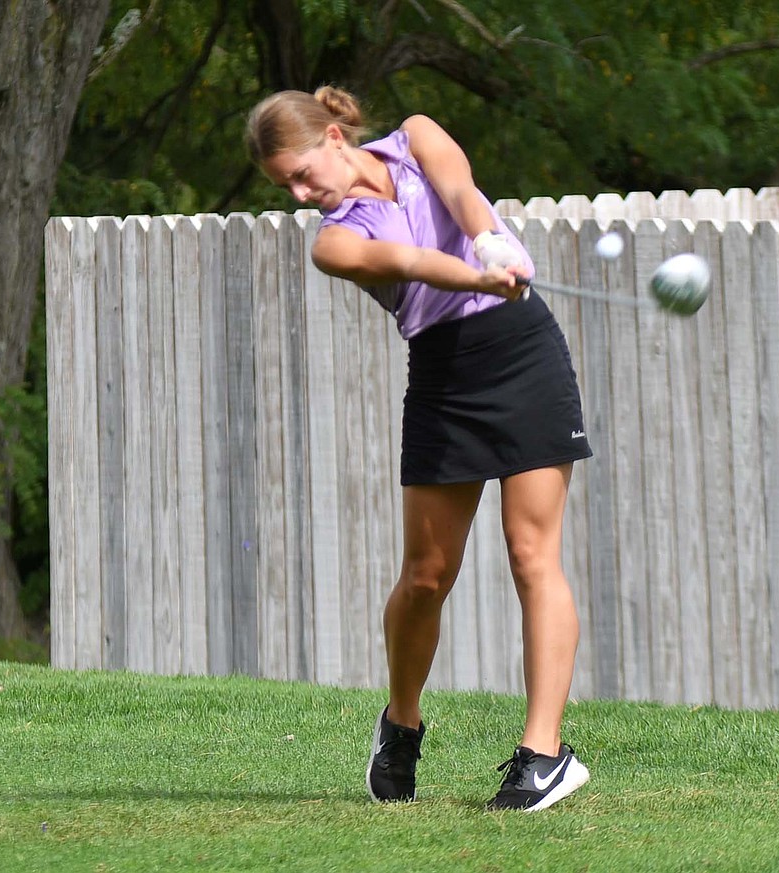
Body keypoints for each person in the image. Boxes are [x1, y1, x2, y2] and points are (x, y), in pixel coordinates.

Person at [245, 86, 593, 812]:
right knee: (427, 575)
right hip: (444, 373)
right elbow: (405, 259)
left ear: (336, 136)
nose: (304, 193)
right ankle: (402, 722)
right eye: (289, 187)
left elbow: (461, 190)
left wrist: (491, 238)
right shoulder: (333, 241)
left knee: (533, 553)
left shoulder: (416, 136)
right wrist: (475, 273)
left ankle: (543, 753)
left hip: (524, 352)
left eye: (305, 172)